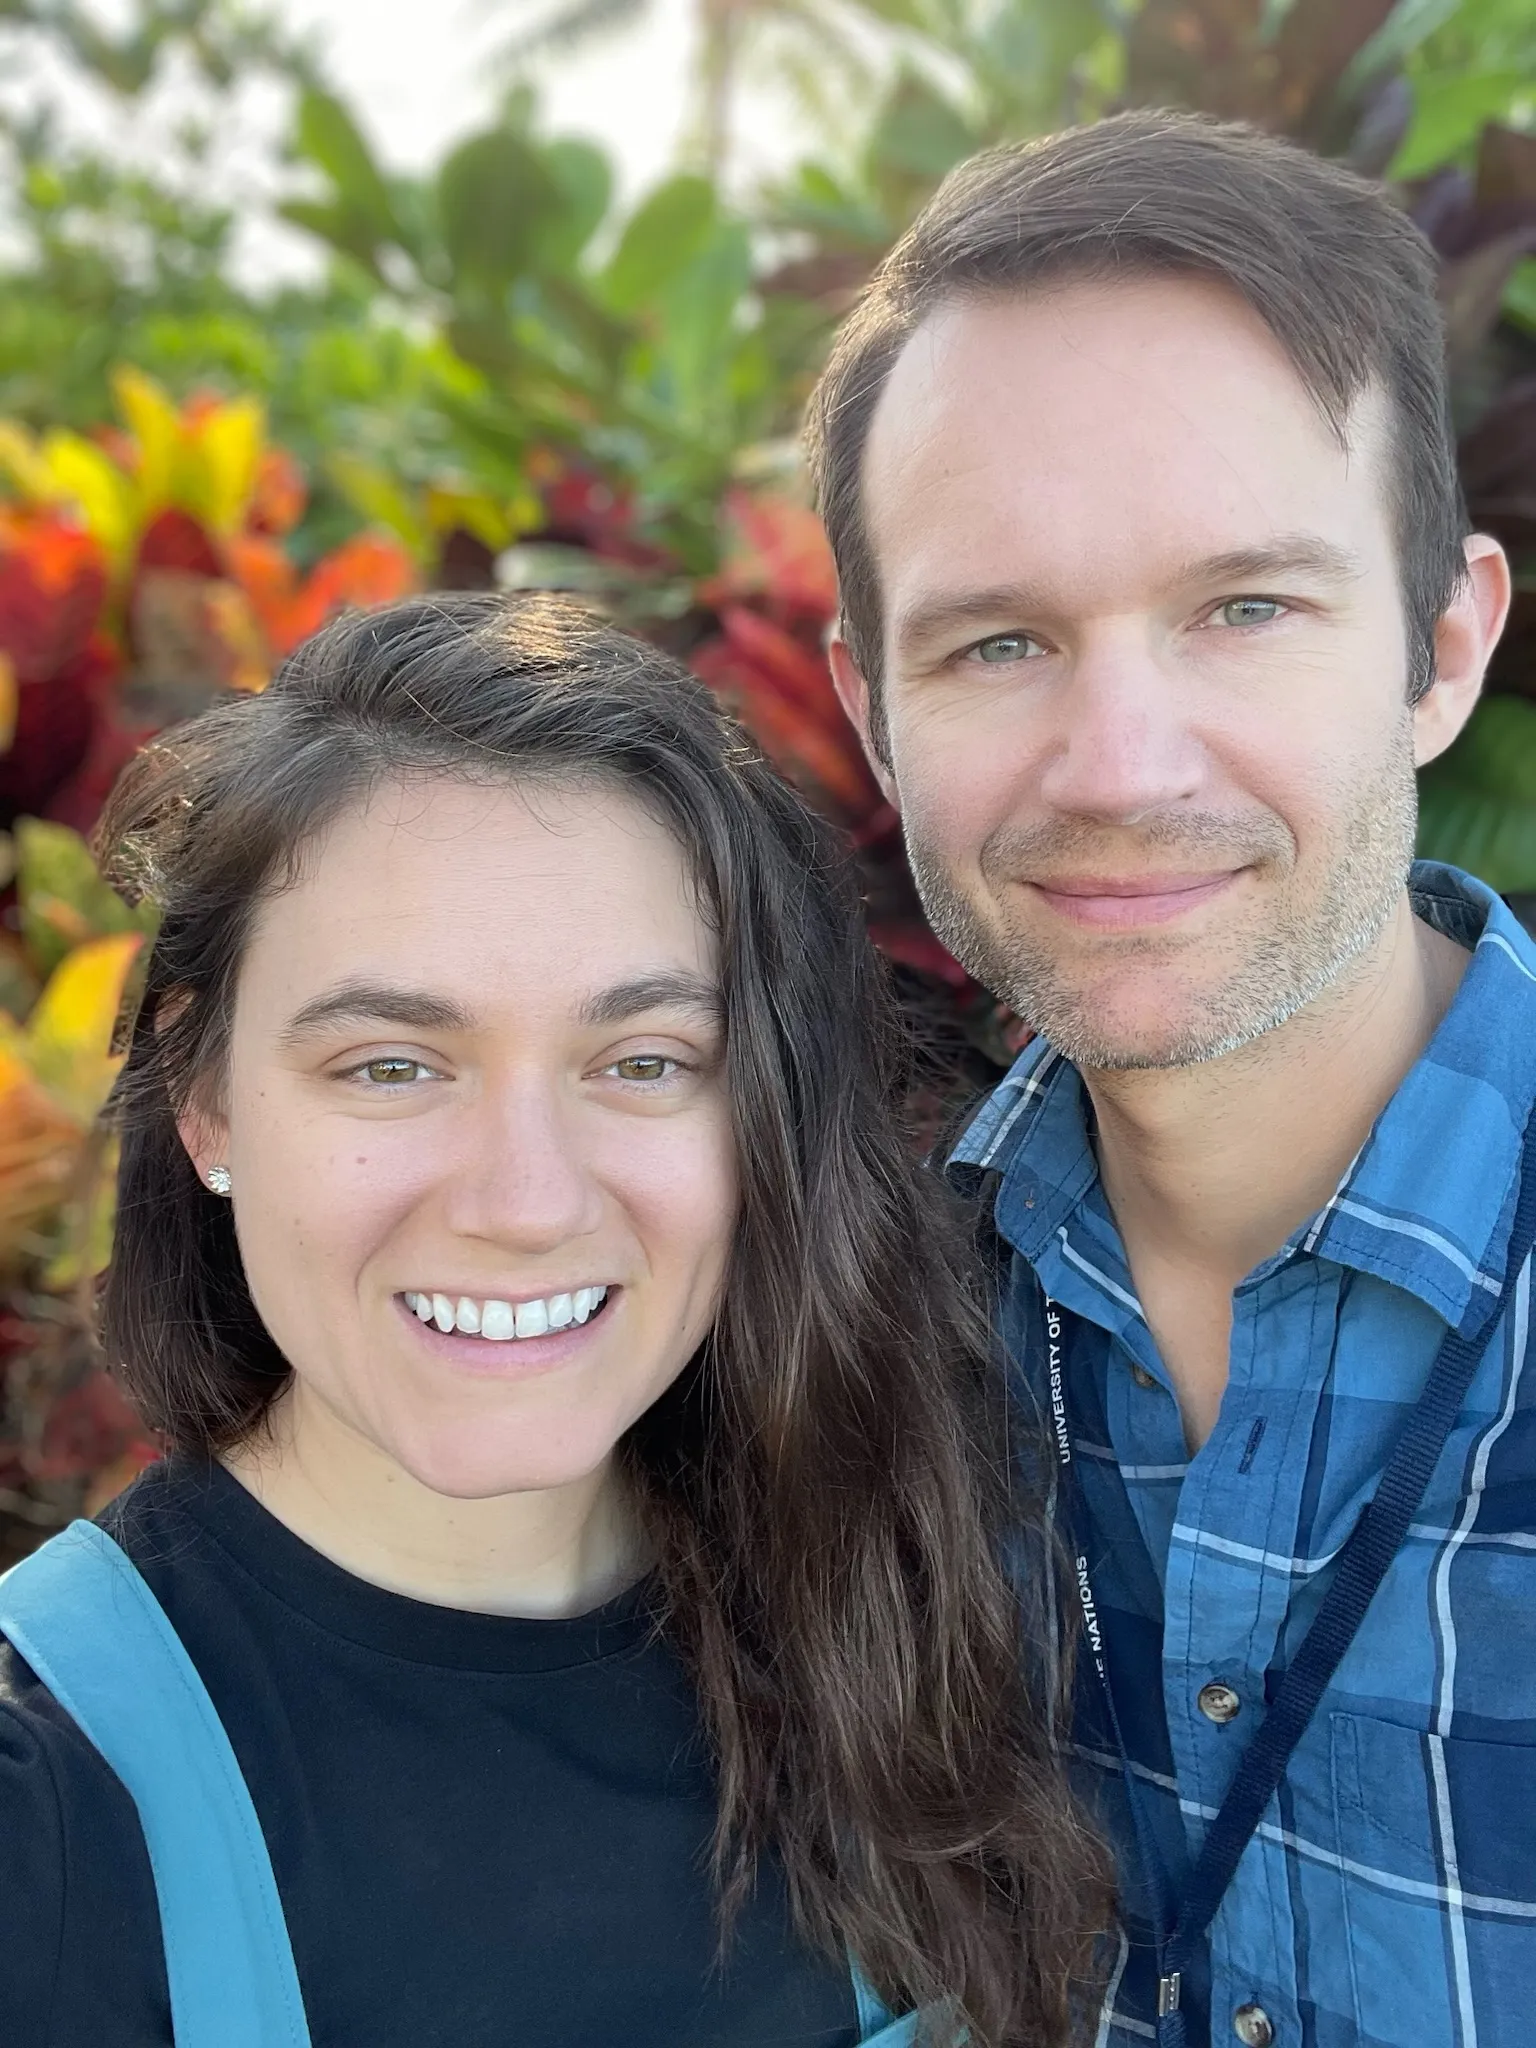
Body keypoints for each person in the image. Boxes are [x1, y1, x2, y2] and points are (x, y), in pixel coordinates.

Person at [0, 593, 1109, 2047]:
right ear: (204, 1100)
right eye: (391, 1066)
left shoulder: (914, 1603)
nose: (526, 1201)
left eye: (643, 1061)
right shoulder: (49, 1808)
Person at [807, 109, 1529, 2048]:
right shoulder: (867, 1341)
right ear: (874, 711)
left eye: (1244, 608)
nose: (1122, 766)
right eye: (1000, 642)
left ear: (1444, 648)